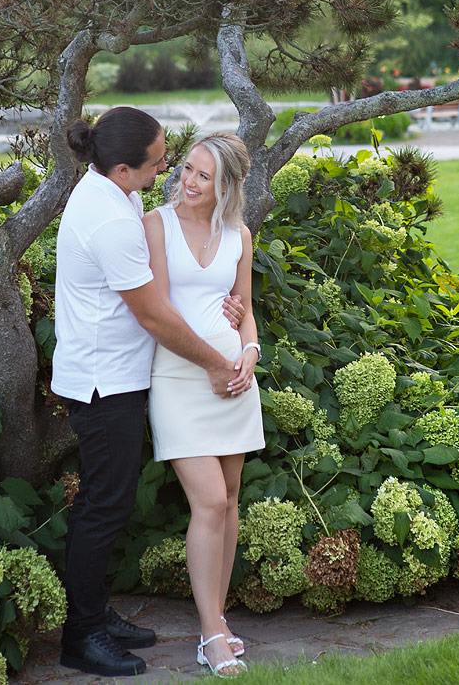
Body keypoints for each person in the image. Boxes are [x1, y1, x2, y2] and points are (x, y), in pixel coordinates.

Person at [52, 106, 248, 678]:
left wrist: (225, 311)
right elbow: (156, 318)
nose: (168, 169)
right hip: (101, 381)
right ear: (121, 169)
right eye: (161, 161)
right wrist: (217, 362)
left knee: (107, 503)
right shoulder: (111, 220)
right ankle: (81, 635)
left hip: (121, 376)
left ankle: (94, 613)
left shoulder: (118, 195)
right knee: (102, 506)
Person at [143, 132, 264, 679]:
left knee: (232, 499)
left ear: (228, 186)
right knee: (210, 501)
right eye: (187, 169)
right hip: (179, 378)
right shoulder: (155, 225)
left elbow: (246, 311)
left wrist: (249, 353)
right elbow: (162, 311)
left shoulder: (240, 235)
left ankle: (218, 619)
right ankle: (211, 633)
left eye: (202, 175)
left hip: (236, 381)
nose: (187, 182)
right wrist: (213, 365)